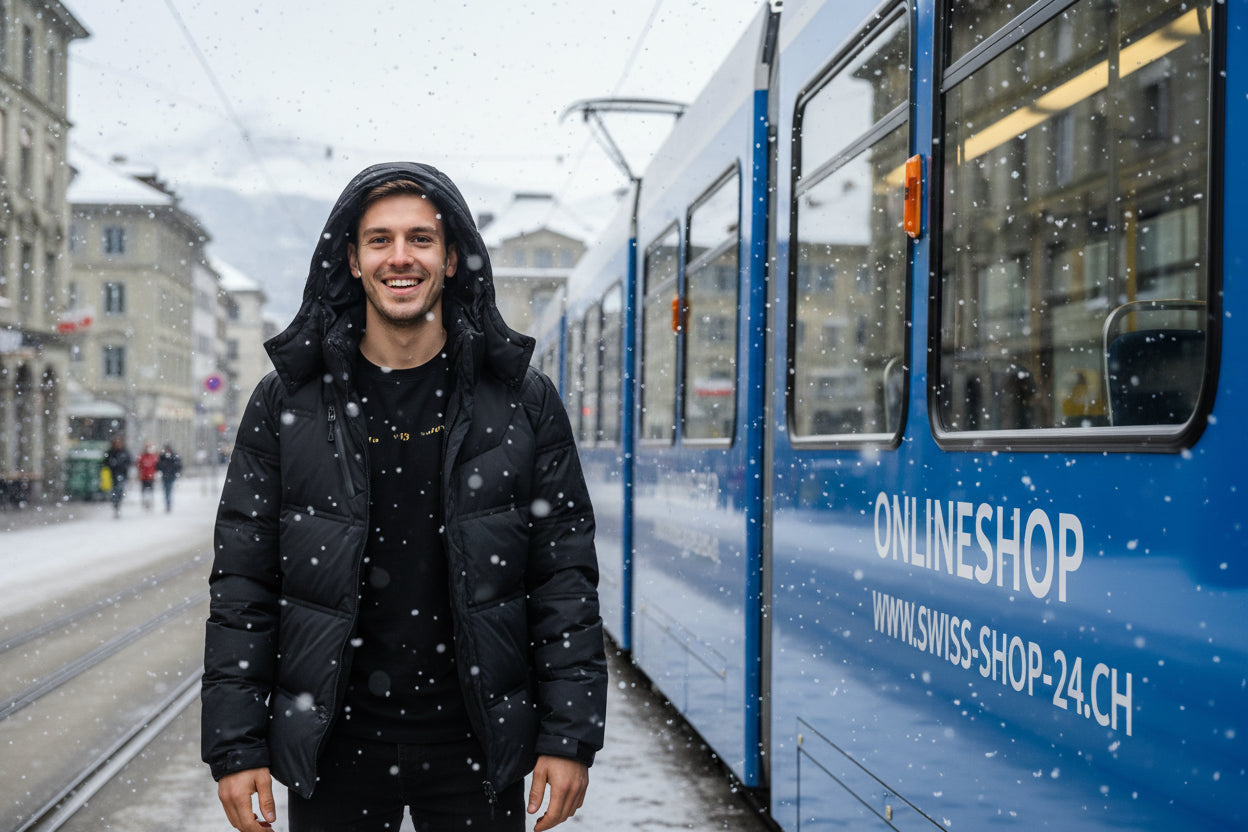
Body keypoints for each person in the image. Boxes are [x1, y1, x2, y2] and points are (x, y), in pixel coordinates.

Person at [202, 162, 606, 832]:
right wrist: (236, 747)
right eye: (379, 240)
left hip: (478, 747)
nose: (400, 257)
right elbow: (243, 584)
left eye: (421, 239)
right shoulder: (287, 402)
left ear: (451, 260)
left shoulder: (521, 401)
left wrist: (568, 737)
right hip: (336, 749)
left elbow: (563, 579)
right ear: (353, 261)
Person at [103, 435, 132, 518]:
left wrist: (123, 466)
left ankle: (117, 504)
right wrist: (112, 464)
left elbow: (129, 461)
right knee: (115, 491)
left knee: (120, 490)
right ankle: (116, 505)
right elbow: (105, 462)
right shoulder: (111, 452)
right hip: (113, 475)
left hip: (122, 475)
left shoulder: (125, 452)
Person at [156, 443, 182, 512]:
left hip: (171, 476)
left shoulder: (173, 456)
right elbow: (158, 466)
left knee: (169, 489)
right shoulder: (162, 457)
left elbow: (178, 465)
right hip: (165, 476)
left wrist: (175, 472)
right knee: (166, 490)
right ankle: (167, 503)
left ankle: (168, 504)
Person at [137, 442, 159, 511]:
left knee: (151, 491)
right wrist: (139, 474)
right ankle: (145, 502)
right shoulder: (142, 456)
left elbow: (157, 466)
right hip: (144, 477)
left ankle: (150, 502)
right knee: (144, 491)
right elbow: (139, 466)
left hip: (151, 477)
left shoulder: (154, 456)